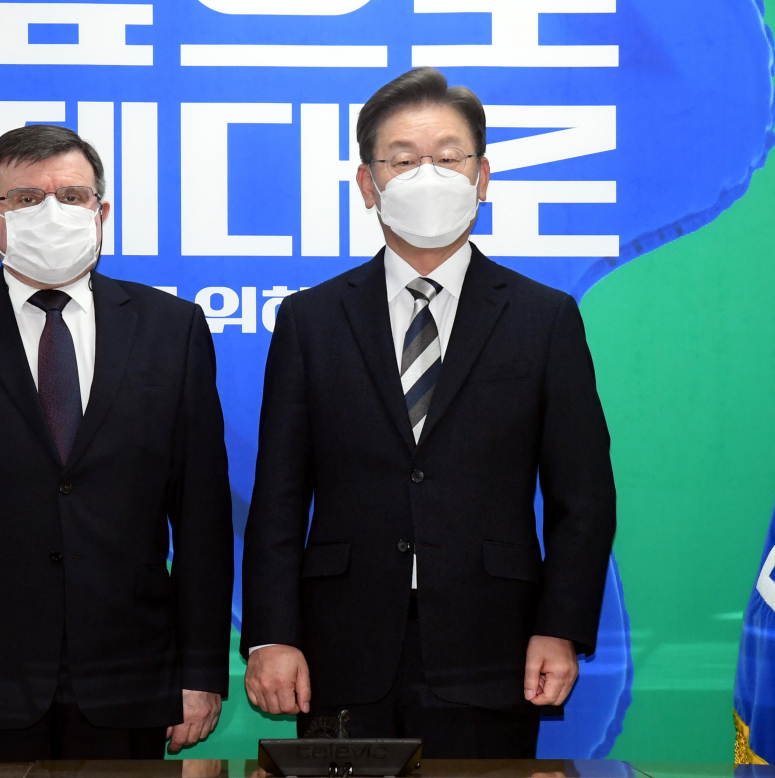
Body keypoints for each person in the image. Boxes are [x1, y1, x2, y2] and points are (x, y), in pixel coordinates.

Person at [240, 68, 616, 758]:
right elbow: (278, 498)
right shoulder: (310, 320)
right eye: (404, 160)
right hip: (338, 650)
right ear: (367, 183)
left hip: (494, 645)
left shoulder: (544, 319)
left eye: (448, 158)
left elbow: (583, 498)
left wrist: (560, 627)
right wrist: (272, 635)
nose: (428, 174)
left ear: (482, 177)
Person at [0, 125, 233, 764]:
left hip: (130, 674)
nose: (53, 212)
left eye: (71, 195)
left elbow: (203, 516)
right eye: (27, 199)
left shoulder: (172, 329)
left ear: (102, 213)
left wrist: (201, 671)